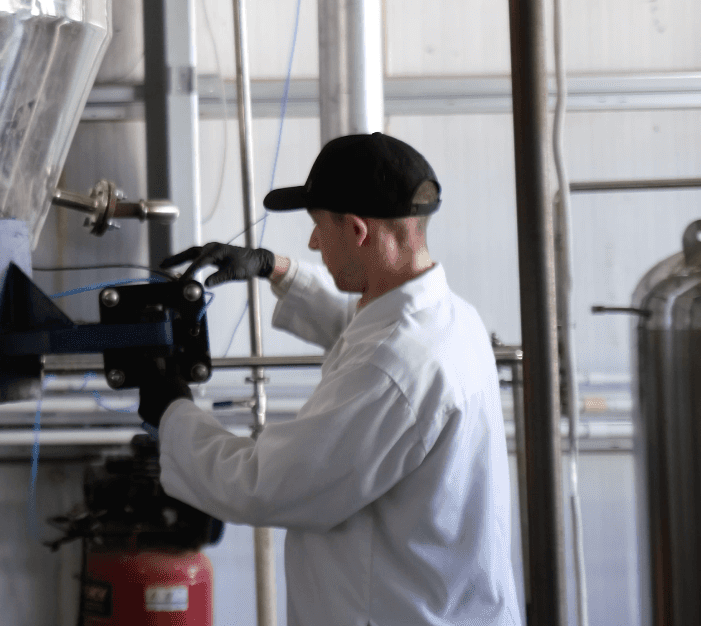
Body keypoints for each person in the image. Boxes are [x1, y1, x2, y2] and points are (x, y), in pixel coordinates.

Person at [140, 132, 522, 626]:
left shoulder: (392, 368)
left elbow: (266, 485)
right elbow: (365, 334)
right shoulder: (453, 319)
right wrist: (273, 268)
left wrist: (174, 413)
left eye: (319, 227)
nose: (313, 242)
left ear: (358, 230)